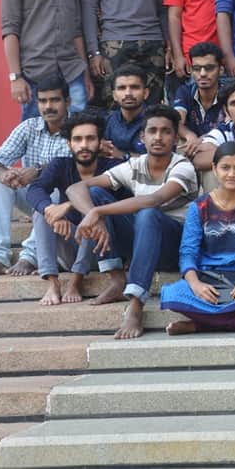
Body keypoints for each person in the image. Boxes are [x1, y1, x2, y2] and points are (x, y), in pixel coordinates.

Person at [68, 104, 199, 339]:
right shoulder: (135, 165)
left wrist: (98, 212)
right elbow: (76, 187)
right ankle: (117, 279)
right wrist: (93, 214)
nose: (158, 137)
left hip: (174, 247)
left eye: (166, 131)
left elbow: (154, 200)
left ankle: (136, 304)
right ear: (142, 136)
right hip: (143, 241)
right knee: (96, 194)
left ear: (174, 138)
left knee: (147, 213)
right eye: (152, 131)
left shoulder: (183, 166)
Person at [159, 142, 235, 335]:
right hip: (208, 278)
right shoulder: (199, 207)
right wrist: (196, 285)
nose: (231, 174)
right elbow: (188, 252)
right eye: (225, 167)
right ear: (214, 169)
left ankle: (200, 325)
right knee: (172, 295)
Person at [0, 78, 72, 278]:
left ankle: (30, 256)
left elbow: (72, 166)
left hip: (63, 201)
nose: (48, 106)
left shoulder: (77, 128)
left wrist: (37, 170)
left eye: (54, 100)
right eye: (43, 101)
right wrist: (5, 174)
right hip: (32, 196)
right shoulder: (29, 127)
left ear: (67, 101)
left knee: (56, 191)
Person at [27, 112, 129, 306]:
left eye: (90, 139)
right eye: (77, 139)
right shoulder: (60, 165)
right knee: (42, 212)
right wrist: (51, 210)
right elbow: (35, 189)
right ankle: (52, 283)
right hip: (71, 248)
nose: (84, 145)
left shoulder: (114, 168)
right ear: (69, 144)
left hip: (104, 250)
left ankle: (76, 281)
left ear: (100, 142)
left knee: (93, 207)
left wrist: (68, 205)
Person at [172, 42, 226, 159]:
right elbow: (176, 121)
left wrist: (203, 140)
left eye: (209, 68)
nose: (202, 74)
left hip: (218, 148)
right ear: (191, 70)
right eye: (197, 69)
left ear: (221, 70)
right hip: (191, 146)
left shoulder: (229, 93)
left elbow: (231, 125)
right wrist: (189, 135)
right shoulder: (185, 91)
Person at [103, 66, 149, 161]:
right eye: (122, 88)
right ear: (114, 95)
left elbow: (161, 160)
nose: (128, 93)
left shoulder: (158, 121)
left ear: (145, 93)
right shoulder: (107, 121)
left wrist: (123, 156)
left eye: (134, 87)